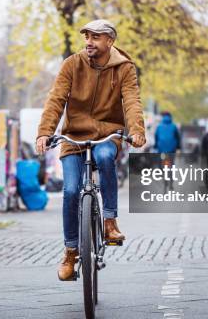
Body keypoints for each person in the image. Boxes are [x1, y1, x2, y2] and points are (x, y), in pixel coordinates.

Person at [35, 19, 146, 281]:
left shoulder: (125, 69)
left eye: (95, 37)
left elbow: (131, 100)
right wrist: (44, 131)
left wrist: (137, 130)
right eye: (86, 36)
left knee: (106, 156)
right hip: (73, 136)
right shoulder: (72, 64)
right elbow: (56, 99)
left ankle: (109, 222)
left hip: (108, 133)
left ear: (110, 41)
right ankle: (71, 252)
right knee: (71, 190)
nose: (89, 42)